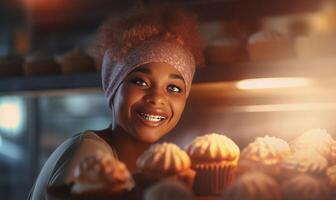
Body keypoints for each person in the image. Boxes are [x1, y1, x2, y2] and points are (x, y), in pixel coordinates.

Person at [27, 5, 204, 200]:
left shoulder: (144, 170)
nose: (157, 97)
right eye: (140, 82)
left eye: (174, 88)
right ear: (113, 87)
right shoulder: (91, 156)